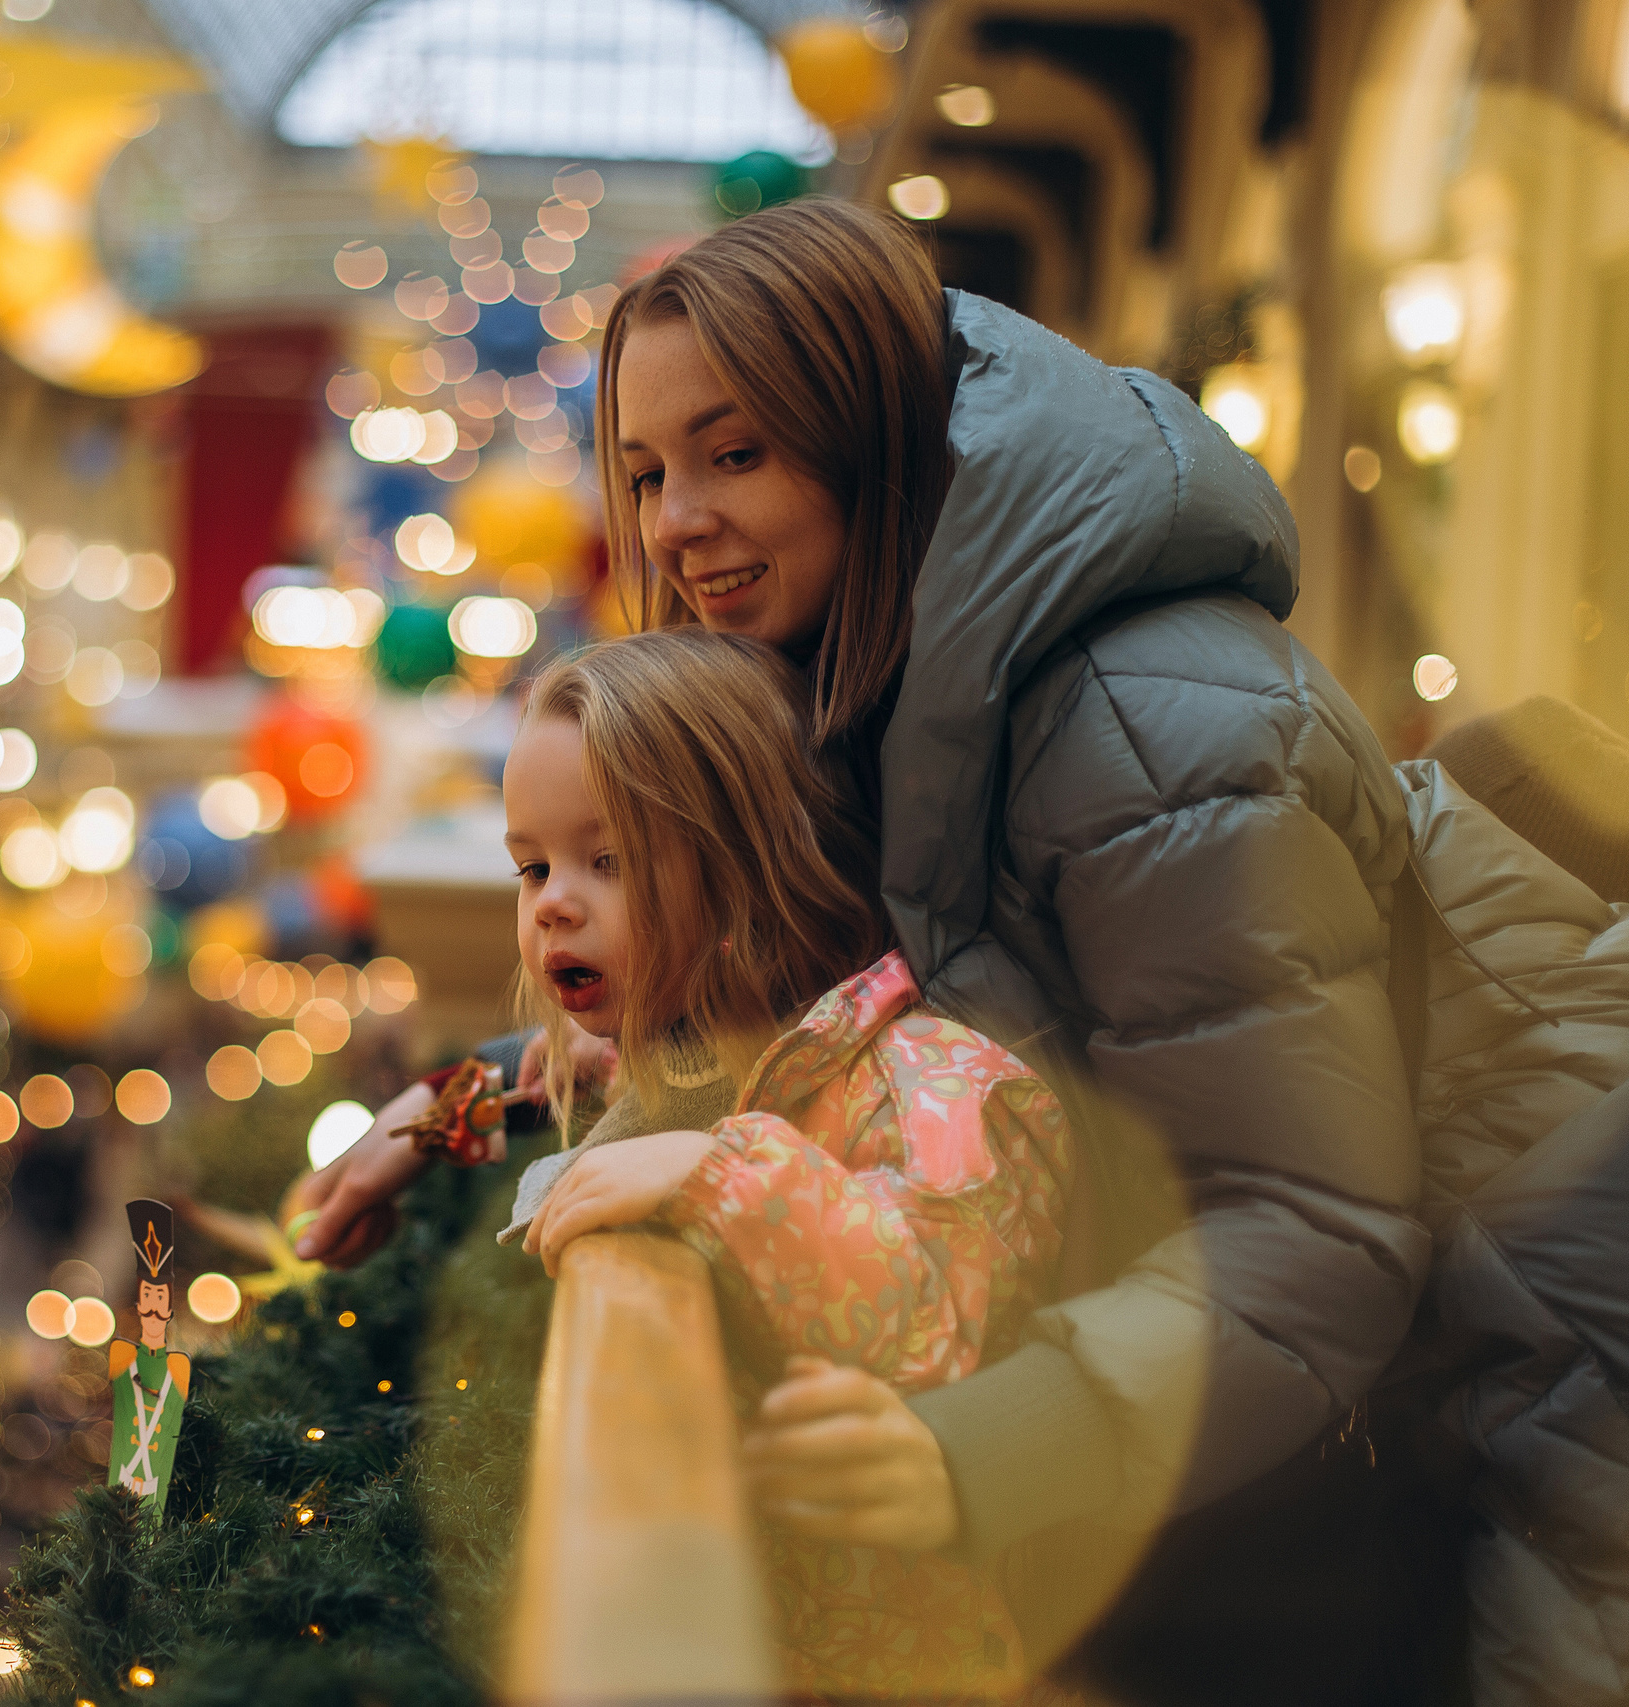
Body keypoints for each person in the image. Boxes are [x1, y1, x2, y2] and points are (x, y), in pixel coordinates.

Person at [298, 198, 1442, 1699]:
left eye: (736, 451)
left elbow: (1317, 1226)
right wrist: (440, 1110)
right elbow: (776, 1012)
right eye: (644, 471)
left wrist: (985, 1441)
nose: (673, 525)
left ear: (872, 436)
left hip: (1229, 1550)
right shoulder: (868, 674)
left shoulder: (1156, 722)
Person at [498, 629, 1071, 1698]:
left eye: (607, 859)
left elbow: (930, 1313)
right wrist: (438, 1116)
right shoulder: (672, 1060)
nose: (552, 904)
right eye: (530, 865)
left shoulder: (934, 1083)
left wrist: (714, 1176)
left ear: (747, 860)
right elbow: (543, 1078)